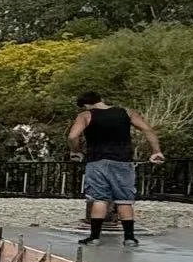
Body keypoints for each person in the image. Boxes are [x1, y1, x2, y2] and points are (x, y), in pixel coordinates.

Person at [69, 92, 164, 246]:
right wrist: (156, 151)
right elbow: (148, 130)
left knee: (99, 199)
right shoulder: (127, 112)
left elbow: (73, 136)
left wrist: (75, 151)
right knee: (124, 200)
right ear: (102, 99)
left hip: (97, 161)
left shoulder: (86, 115)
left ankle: (94, 238)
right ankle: (129, 238)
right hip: (123, 162)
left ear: (86, 105)